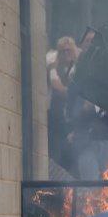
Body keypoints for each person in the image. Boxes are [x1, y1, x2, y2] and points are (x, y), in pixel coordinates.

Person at [48, 36, 78, 169]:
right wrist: (52, 69)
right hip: (56, 121)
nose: (66, 54)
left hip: (74, 122)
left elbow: (71, 94)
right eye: (63, 51)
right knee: (56, 157)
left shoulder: (77, 68)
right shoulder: (53, 66)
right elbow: (58, 88)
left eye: (69, 50)